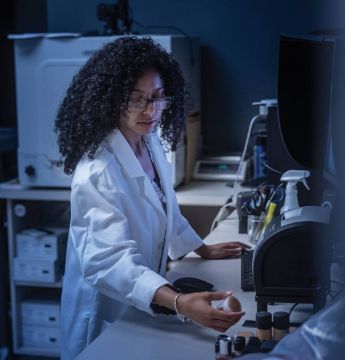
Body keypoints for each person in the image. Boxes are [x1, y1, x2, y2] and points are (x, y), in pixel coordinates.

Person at [55, 36, 248, 360]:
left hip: (142, 303)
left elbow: (163, 205)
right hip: (105, 315)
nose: (150, 110)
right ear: (111, 99)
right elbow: (109, 262)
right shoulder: (98, 171)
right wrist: (177, 301)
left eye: (157, 98)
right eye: (136, 100)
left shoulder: (148, 141)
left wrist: (201, 247)